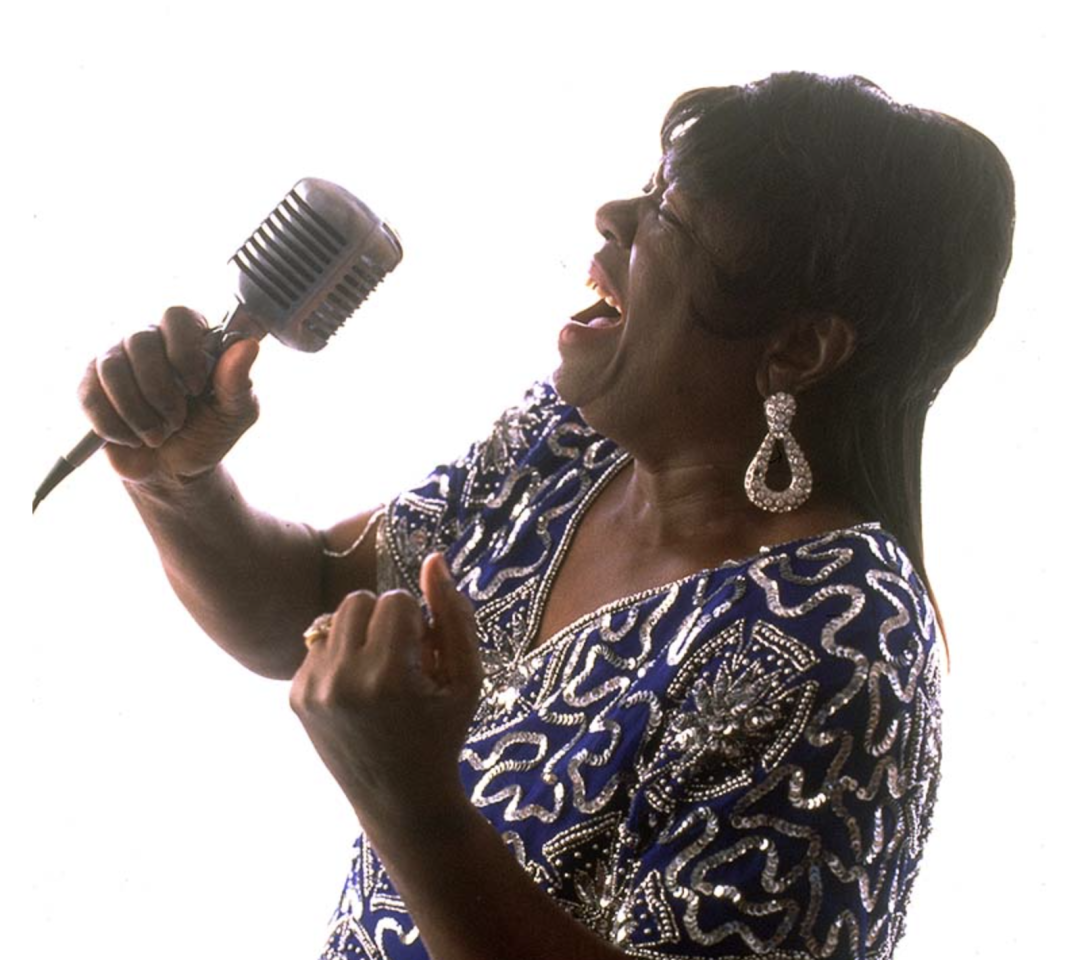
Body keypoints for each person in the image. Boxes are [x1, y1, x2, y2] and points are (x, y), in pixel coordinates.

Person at [77, 72, 1014, 960]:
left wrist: (412, 805)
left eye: (669, 217)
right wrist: (178, 483)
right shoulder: (573, 444)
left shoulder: (839, 649)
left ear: (800, 349)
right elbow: (314, 600)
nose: (613, 217)